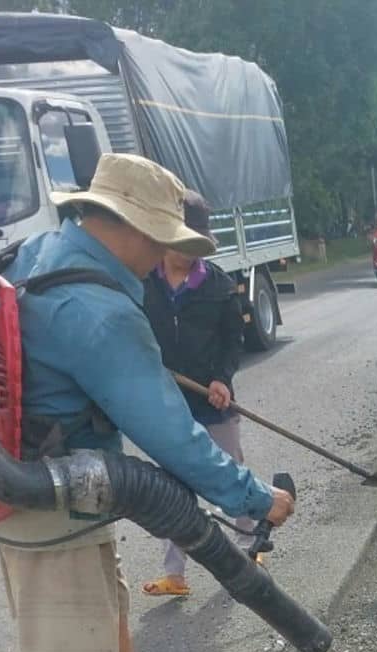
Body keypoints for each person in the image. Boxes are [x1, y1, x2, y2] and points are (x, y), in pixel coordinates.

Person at [0, 153, 295, 652]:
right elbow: (174, 438)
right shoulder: (97, 309)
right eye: (161, 237)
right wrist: (254, 499)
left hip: (54, 480)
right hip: (46, 497)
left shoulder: (42, 252)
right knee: (64, 645)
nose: (165, 253)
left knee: (107, 606)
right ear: (126, 225)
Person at [141, 190, 252, 597]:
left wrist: (222, 379)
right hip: (166, 403)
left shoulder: (220, 286)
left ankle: (248, 550)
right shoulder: (142, 281)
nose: (190, 251)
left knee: (230, 471)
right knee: (173, 487)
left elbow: (233, 341)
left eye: (197, 244)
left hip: (212, 398)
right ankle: (176, 573)